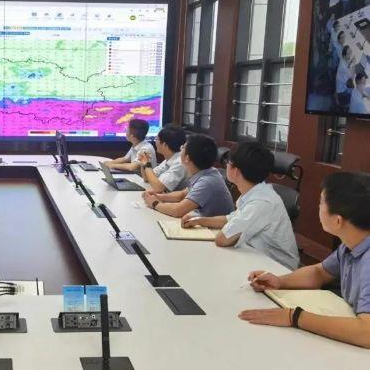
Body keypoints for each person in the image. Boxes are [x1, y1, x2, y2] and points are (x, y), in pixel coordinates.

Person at [239, 172, 370, 349]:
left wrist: (295, 317)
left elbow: (366, 333)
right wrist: (280, 281)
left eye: (321, 202)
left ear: (338, 220)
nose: (318, 207)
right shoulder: (351, 244)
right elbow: (319, 272)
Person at [182, 141, 299, 270]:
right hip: (255, 257)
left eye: (228, 163)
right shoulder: (256, 192)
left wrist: (212, 226)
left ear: (236, 171)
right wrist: (199, 220)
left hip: (277, 269)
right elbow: (230, 219)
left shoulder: (261, 202)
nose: (226, 166)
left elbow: (222, 239)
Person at [142, 133, 234, 218]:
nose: (180, 150)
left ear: (187, 158)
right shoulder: (206, 172)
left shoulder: (207, 181)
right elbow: (182, 195)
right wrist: (158, 196)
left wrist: (154, 203)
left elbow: (177, 211)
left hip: (213, 228)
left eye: (183, 148)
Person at [137, 125, 188, 193]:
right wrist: (143, 163)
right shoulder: (169, 159)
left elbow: (158, 188)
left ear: (164, 144)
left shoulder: (180, 162)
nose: (155, 142)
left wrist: (147, 164)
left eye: (156, 139)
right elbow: (146, 178)